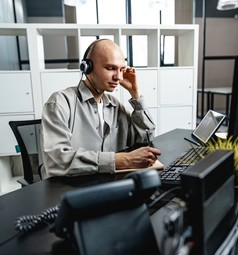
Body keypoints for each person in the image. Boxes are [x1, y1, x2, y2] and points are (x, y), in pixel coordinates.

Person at [40, 39, 161, 178]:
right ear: (87, 67)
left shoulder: (114, 105)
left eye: (121, 69)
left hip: (106, 183)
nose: (119, 77)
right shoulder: (60, 103)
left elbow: (145, 139)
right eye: (111, 68)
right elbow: (58, 161)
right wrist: (120, 160)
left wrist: (136, 94)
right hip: (66, 188)